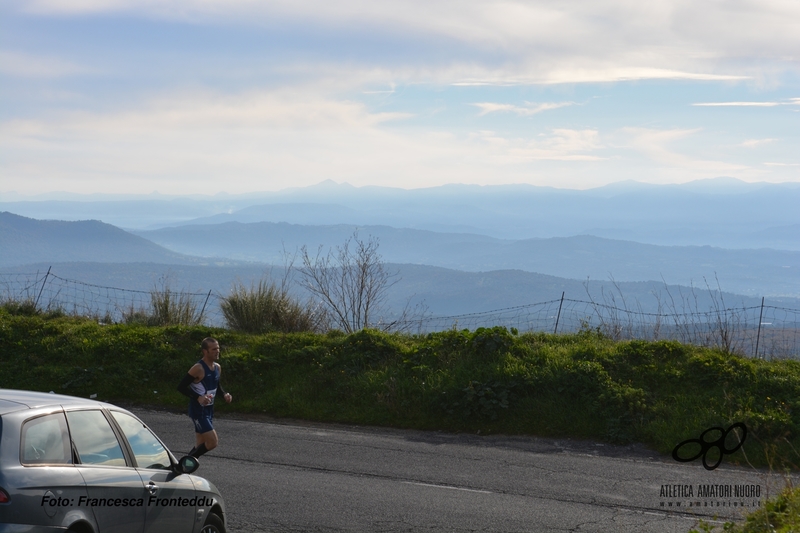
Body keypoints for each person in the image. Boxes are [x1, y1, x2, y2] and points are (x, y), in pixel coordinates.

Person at [177, 337, 232, 459]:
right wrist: (198, 397)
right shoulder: (198, 368)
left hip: (209, 410)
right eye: (213, 349)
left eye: (218, 348)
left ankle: (184, 468)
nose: (217, 351)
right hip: (198, 411)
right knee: (212, 442)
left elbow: (216, 384)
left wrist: (224, 394)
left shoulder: (217, 367)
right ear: (205, 351)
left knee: (200, 444)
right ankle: (183, 466)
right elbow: (181, 387)